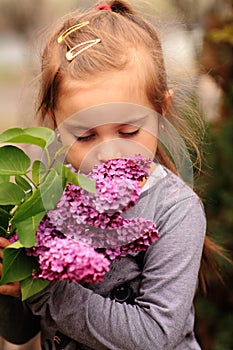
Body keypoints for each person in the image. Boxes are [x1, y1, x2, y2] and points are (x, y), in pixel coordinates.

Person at [0, 1, 222, 349]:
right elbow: (19, 331)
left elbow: (156, 335)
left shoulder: (174, 210)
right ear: (55, 125)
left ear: (160, 112)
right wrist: (12, 283)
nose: (108, 151)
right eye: (85, 136)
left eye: (128, 131)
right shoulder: (46, 196)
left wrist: (49, 291)